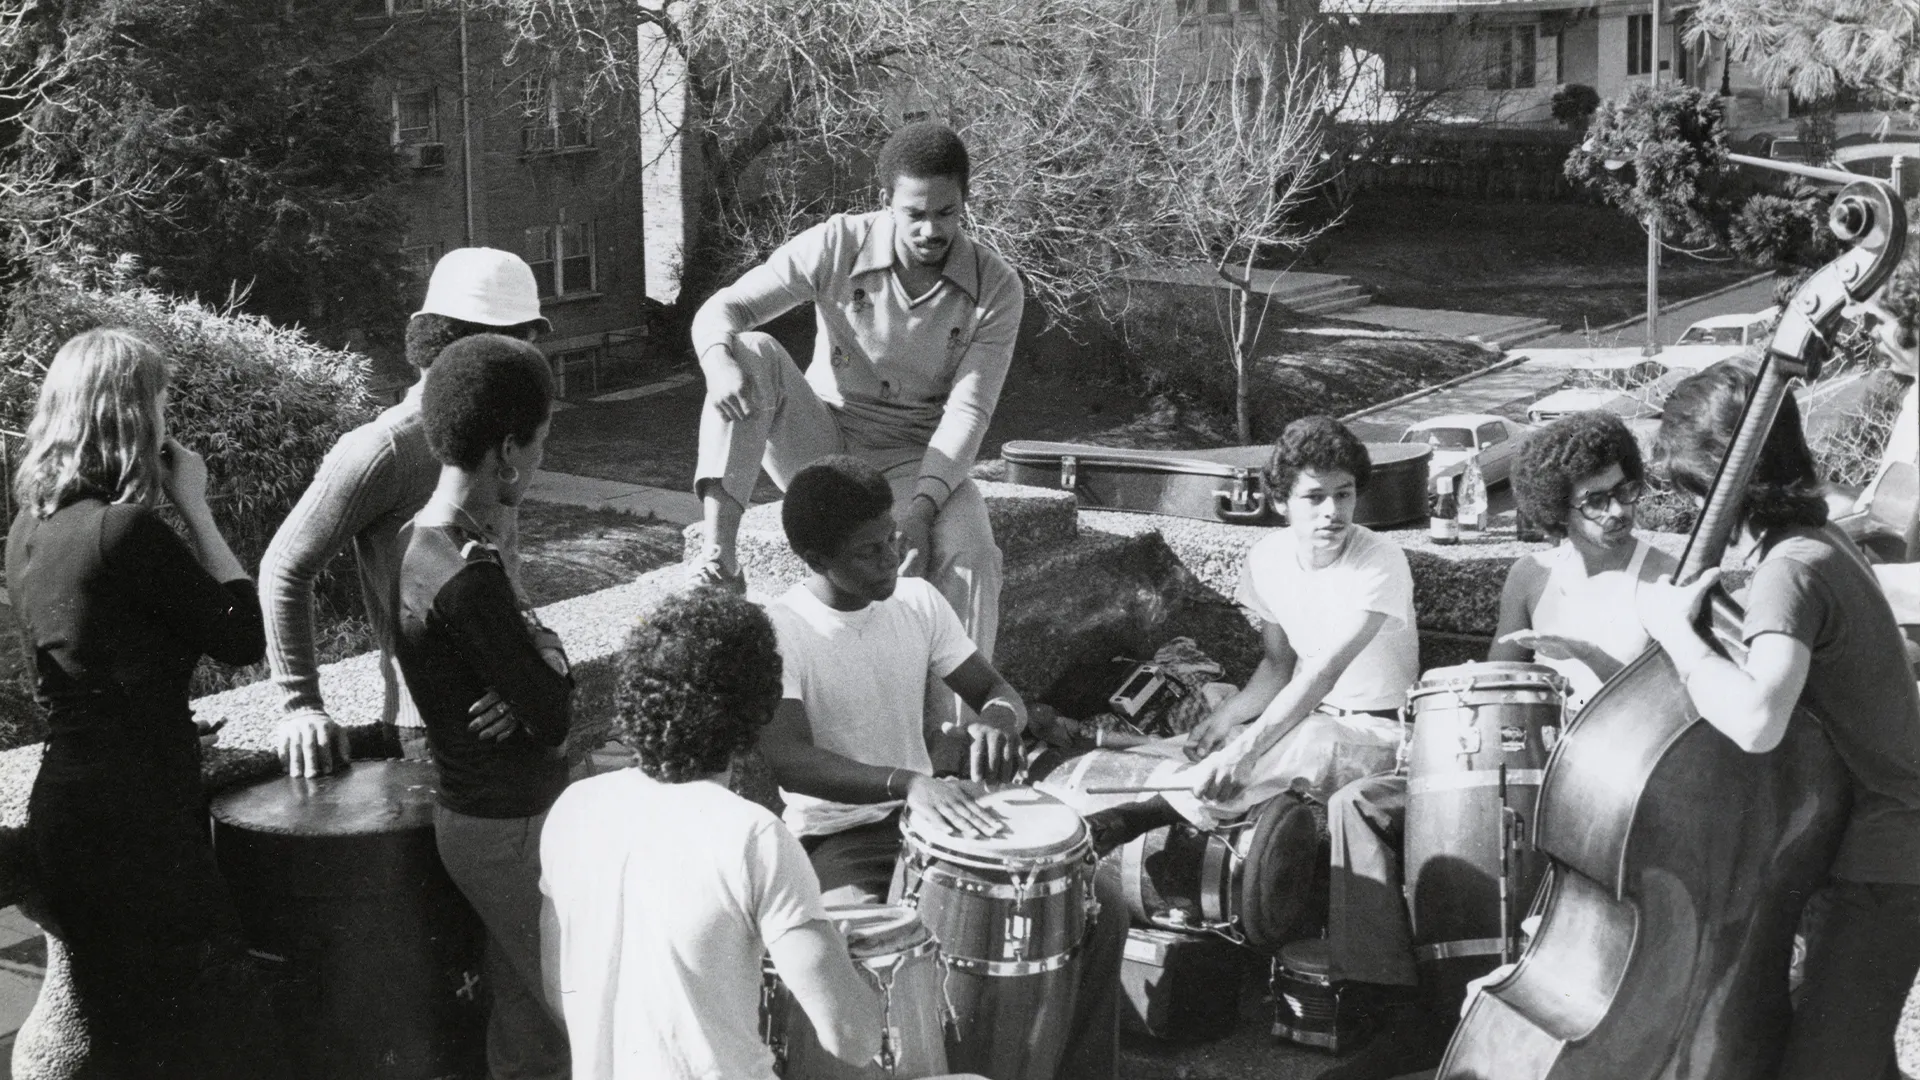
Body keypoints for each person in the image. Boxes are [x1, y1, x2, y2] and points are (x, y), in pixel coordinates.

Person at [757, 454, 1124, 1080]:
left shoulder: (919, 601)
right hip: (837, 836)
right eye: (868, 553)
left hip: (927, 818)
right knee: (866, 954)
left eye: (893, 538)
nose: (892, 559)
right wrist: (909, 782)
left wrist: (999, 723)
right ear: (817, 560)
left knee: (1100, 905)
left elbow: (997, 692)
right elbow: (791, 762)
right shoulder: (781, 628)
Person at [5, 328, 289, 1077]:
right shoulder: (124, 530)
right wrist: (195, 507)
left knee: (125, 1035)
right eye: (160, 404)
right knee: (216, 1031)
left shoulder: (29, 529)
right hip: (138, 826)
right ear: (135, 417)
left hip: (69, 807)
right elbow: (241, 635)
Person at [689, 121, 1021, 739]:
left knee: (974, 553)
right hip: (825, 444)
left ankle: (957, 737)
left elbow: (969, 412)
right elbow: (724, 308)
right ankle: (720, 556)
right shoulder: (838, 242)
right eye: (913, 213)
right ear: (887, 202)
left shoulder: (996, 286)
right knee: (754, 350)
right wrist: (716, 362)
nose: (930, 230)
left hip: (915, 456)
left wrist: (923, 507)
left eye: (946, 212)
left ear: (965, 202)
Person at [1637, 358, 1920, 1080]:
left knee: (1828, 1069)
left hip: (1890, 860)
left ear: (1721, 482)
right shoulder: (1821, 546)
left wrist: (1676, 636)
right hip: (1884, 850)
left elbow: (1759, 720)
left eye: (1696, 491)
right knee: (1851, 1060)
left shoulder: (1789, 570)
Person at [539, 587, 884, 1080]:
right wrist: (858, 979)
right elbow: (851, 1038)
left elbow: (562, 992)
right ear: (760, 708)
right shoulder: (754, 837)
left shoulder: (574, 809)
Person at [263, 247, 548, 776]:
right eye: (521, 342)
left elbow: (506, 572)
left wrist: (531, 667)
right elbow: (285, 567)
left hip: (519, 710)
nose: (531, 359)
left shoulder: (496, 438)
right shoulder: (384, 447)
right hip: (432, 733)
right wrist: (301, 705)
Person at [1082, 416, 1420, 849]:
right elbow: (1278, 666)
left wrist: (1246, 750)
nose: (1333, 512)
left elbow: (1321, 673)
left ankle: (1133, 820)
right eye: (1314, 498)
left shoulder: (1381, 559)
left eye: (1343, 494)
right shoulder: (1267, 558)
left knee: (1297, 741)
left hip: (1383, 736)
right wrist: (1222, 722)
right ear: (1281, 502)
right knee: (1199, 746)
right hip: (1305, 716)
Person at [396, 333, 572, 1080]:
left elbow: (531, 688)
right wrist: (547, 661)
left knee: (526, 1021)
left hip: (474, 818)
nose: (536, 463)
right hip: (512, 827)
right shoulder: (471, 580)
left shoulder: (420, 542)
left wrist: (531, 671)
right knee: (574, 1003)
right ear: (506, 450)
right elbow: (557, 714)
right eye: (537, 445)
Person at [1490, 411, 1677, 713]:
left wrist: (1587, 654)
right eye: (1596, 501)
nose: (1617, 510)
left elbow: (1669, 709)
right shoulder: (1528, 574)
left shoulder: (1666, 577)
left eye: (1624, 491)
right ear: (1558, 509)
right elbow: (1496, 684)